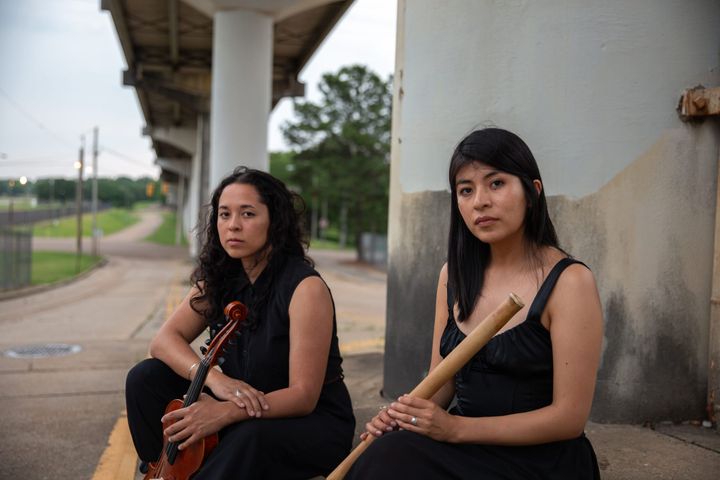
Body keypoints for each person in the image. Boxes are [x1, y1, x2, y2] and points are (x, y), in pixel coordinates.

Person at [346, 128, 603, 479]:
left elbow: (568, 419)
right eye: (466, 190)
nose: (480, 201)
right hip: (465, 448)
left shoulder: (570, 282)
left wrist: (454, 429)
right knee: (384, 453)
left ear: (533, 192)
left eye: (496, 183)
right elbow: (440, 386)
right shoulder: (453, 276)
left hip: (539, 459)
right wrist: (406, 415)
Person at [125, 167, 355, 479]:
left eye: (247, 214)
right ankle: (165, 470)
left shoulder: (304, 287)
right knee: (146, 377)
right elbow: (163, 341)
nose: (233, 225)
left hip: (309, 421)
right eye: (224, 214)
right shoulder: (221, 278)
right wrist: (216, 382)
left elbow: (303, 396)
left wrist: (224, 413)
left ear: (274, 221)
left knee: (249, 437)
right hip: (241, 402)